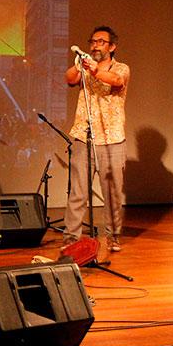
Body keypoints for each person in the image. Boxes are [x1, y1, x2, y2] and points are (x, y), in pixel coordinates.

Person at [63, 26, 131, 252]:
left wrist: (94, 71)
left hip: (112, 139)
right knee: (78, 192)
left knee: (112, 194)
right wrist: (78, 66)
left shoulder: (121, 68)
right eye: (93, 42)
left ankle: (113, 236)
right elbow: (69, 79)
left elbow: (116, 81)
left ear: (112, 46)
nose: (95, 46)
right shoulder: (84, 67)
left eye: (101, 42)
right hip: (84, 137)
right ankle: (71, 238)